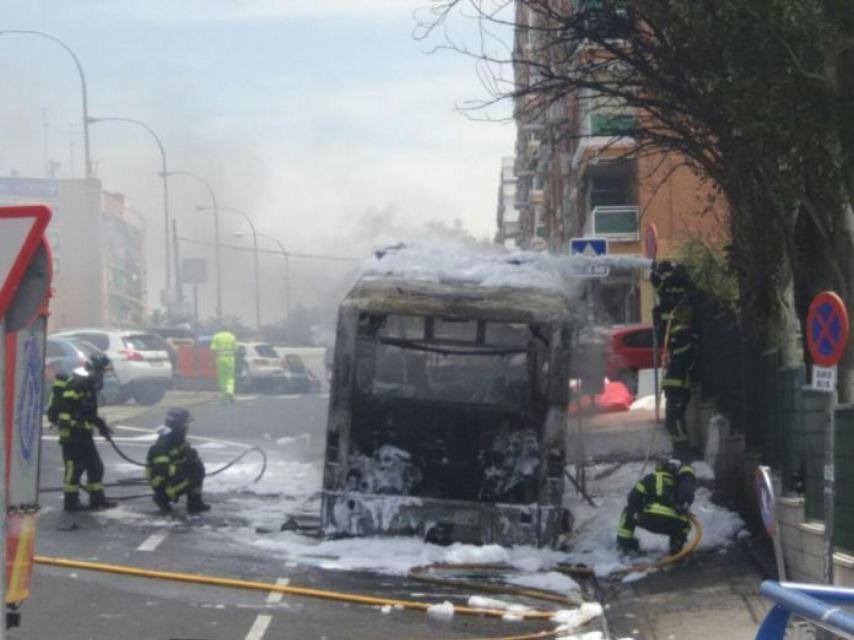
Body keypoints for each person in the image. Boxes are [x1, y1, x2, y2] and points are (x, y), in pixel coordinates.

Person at [46, 353, 117, 512]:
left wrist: (101, 426)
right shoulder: (78, 382)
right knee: (74, 467)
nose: (103, 377)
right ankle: (71, 503)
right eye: (102, 372)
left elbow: (89, 411)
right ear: (95, 370)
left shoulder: (87, 384)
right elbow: (73, 409)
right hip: (72, 433)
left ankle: (97, 500)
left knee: (95, 466)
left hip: (83, 432)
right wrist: (94, 421)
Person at [616, 459, 696, 555]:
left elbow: (632, 499)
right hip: (675, 525)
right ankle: (676, 550)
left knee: (627, 512)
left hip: (651, 520)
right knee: (685, 523)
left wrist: (645, 503)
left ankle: (624, 547)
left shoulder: (651, 478)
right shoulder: (681, 483)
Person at [146, 408, 210, 514]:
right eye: (185, 424)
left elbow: (184, 451)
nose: (186, 427)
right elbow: (163, 470)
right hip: (160, 481)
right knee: (192, 477)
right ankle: (163, 498)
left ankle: (195, 503)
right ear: (177, 424)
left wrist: (192, 456)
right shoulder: (163, 443)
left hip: (172, 476)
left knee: (198, 468)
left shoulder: (177, 438)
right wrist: (185, 465)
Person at [662, 306, 700, 461]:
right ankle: (679, 451)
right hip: (673, 387)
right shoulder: (682, 338)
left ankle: (683, 452)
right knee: (671, 421)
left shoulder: (685, 337)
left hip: (680, 386)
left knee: (676, 420)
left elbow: (686, 362)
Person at [650, 261, 693, 342]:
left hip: (671, 322)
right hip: (682, 321)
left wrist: (655, 270)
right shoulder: (686, 283)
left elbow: (654, 280)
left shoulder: (664, 285)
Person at [210, 329, 238, 402]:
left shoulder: (216, 336)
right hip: (230, 359)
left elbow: (213, 349)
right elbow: (236, 348)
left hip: (220, 358)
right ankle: (230, 391)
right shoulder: (232, 336)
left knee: (222, 377)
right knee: (230, 376)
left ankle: (225, 393)